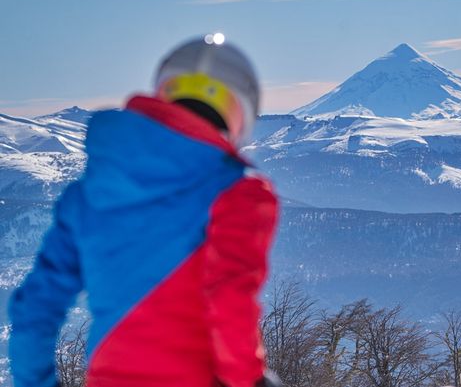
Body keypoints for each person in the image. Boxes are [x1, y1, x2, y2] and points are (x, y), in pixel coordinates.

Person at [9, 34, 281, 387]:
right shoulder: (239, 192)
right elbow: (230, 300)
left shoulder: (89, 193)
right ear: (240, 112)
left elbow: (35, 310)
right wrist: (248, 379)